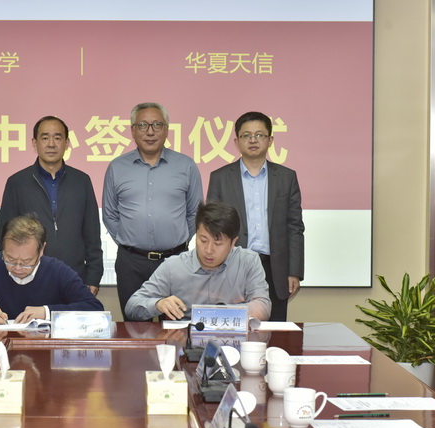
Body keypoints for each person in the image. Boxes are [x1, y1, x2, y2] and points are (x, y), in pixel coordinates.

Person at [102, 102, 203, 320]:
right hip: (131, 262)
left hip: (176, 260)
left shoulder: (186, 166)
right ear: (133, 130)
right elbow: (109, 214)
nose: (150, 132)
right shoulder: (117, 167)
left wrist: (178, 239)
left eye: (157, 125)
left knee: (175, 326)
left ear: (166, 129)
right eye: (143, 125)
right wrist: (129, 240)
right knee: (135, 326)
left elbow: (195, 212)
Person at [207, 111, 304, 321]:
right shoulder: (220, 178)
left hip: (274, 269)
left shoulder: (286, 177)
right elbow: (213, 229)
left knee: (274, 331)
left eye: (259, 135)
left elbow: (295, 227)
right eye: (246, 135)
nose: (253, 140)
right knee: (233, 330)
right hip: (232, 267)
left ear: (270, 140)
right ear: (236, 141)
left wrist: (294, 271)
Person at [0, 116, 103, 295]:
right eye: (45, 138)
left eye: (57, 138)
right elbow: (5, 235)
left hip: (74, 277)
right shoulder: (17, 182)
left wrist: (93, 277)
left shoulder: (81, 181)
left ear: (67, 143)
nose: (51, 144)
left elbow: (92, 233)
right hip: (28, 278)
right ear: (34, 143)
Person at [0, 214, 103, 324]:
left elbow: (94, 308)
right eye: (10, 260)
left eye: (26, 262)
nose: (18, 268)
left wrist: (47, 312)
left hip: (46, 352)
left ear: (42, 250)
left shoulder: (58, 271)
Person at [125, 202, 271, 322]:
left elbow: (263, 306)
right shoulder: (173, 266)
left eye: (218, 243)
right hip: (185, 341)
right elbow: (132, 306)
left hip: (234, 338)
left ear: (233, 242)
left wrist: (220, 313)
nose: (209, 250)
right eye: (203, 240)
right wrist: (158, 304)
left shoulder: (248, 261)